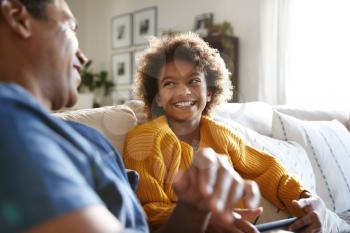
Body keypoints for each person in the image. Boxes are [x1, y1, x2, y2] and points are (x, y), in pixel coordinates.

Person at [0, 0, 261, 232]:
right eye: (71, 27)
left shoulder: (87, 139)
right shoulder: (11, 124)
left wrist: (194, 211)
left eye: (193, 81)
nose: (83, 57)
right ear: (18, 17)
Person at [123, 32, 328, 233]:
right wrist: (206, 219)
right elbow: (147, 210)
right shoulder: (145, 138)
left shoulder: (220, 133)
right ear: (157, 97)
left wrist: (306, 198)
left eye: (193, 81)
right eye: (169, 83)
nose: (183, 91)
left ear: (210, 91)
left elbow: (268, 170)